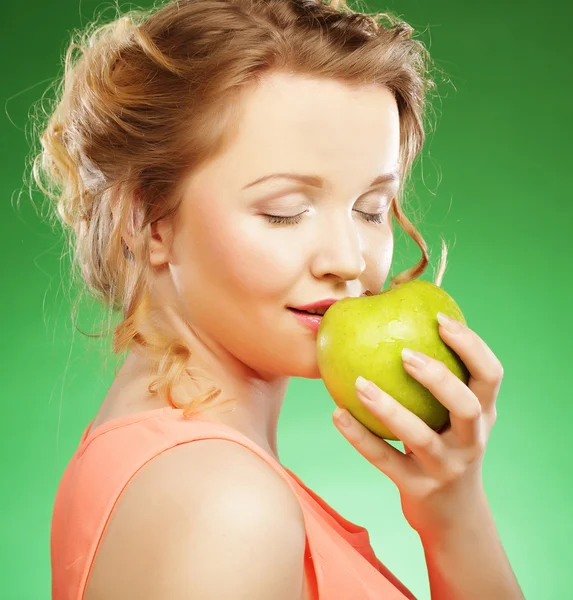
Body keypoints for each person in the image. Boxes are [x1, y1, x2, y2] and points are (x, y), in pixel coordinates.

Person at [35, 0, 524, 598]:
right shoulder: (223, 506)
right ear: (149, 220)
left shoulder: (170, 469)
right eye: (284, 212)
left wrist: (453, 512)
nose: (349, 260)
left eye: (371, 209)